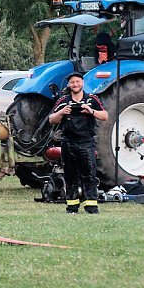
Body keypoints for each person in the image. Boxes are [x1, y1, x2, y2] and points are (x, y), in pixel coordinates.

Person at [48, 72, 109, 213]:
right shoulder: (63, 100)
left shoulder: (91, 99)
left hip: (86, 142)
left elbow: (105, 116)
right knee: (70, 175)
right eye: (72, 82)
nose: (75, 84)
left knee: (89, 174)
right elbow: (51, 120)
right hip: (68, 143)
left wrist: (91, 111)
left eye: (78, 82)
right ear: (69, 85)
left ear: (82, 83)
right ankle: (72, 207)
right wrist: (62, 112)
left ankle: (92, 207)